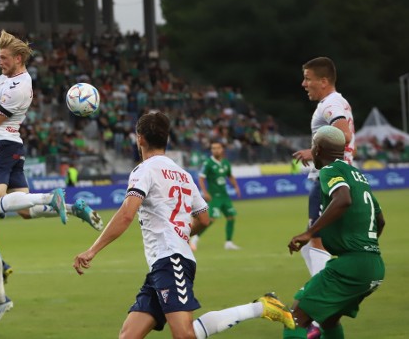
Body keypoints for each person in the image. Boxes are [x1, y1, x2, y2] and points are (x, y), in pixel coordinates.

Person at [73, 112, 293, 339]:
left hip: (171, 260)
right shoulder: (183, 174)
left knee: (185, 335)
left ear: (140, 138)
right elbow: (204, 218)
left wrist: (93, 250)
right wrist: (182, 233)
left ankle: (262, 306)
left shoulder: (144, 170)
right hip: (164, 263)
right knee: (128, 336)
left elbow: (126, 214)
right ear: (166, 139)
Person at [0, 31, 103, 327]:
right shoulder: (3, 79)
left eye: (4, 58)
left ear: (18, 59)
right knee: (17, 216)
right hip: (9, 147)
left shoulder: (20, 86)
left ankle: (51, 197)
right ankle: (72, 208)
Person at [284, 125, 385, 339]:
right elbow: (380, 220)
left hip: (352, 265)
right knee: (329, 319)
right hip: (374, 265)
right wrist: (365, 247)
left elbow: (343, 198)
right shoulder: (358, 175)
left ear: (318, 149)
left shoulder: (330, 170)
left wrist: (309, 233)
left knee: (295, 317)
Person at [292, 56, 355, 339]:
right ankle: (323, 306)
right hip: (336, 177)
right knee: (317, 242)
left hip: (327, 179)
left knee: (313, 238)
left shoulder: (330, 104)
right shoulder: (336, 102)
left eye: (308, 78)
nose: (304, 84)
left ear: (324, 81)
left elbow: (343, 132)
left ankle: (319, 307)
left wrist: (314, 150)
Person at [189, 142, 241, 252]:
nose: (215, 150)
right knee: (210, 219)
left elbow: (230, 176)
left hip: (224, 196)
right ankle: (195, 238)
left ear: (222, 149)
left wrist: (236, 187)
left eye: (217, 148)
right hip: (214, 197)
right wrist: (205, 192)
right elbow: (201, 179)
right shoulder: (208, 163)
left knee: (231, 217)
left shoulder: (226, 162)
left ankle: (228, 242)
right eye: (213, 148)